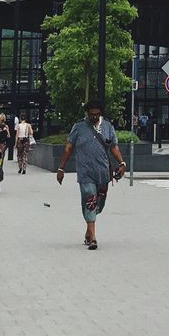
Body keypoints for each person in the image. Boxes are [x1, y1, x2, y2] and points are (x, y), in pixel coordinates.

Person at [57, 99, 127, 249]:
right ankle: (93, 237)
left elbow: (114, 147)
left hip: (103, 172)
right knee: (90, 197)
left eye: (96, 114)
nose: (94, 117)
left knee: (98, 204)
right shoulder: (79, 127)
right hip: (85, 172)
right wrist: (61, 169)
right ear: (87, 114)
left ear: (100, 113)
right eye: (91, 114)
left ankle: (89, 230)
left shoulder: (108, 126)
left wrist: (122, 163)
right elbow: (68, 148)